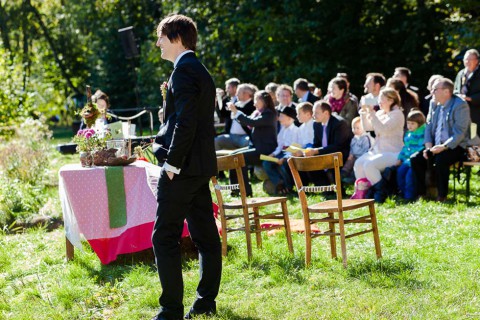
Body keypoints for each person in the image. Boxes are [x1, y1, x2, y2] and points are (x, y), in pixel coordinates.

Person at [151, 14, 221, 320]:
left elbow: (187, 123)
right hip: (200, 168)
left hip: (182, 169)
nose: (158, 44)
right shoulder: (199, 70)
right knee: (205, 236)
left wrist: (172, 164)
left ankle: (170, 311)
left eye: (161, 38)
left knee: (163, 237)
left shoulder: (183, 72)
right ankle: (205, 302)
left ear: (176, 37)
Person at [411, 78, 473, 202]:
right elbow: (428, 127)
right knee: (416, 159)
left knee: (441, 159)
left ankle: (442, 195)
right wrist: (428, 147)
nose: (432, 92)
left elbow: (460, 133)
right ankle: (421, 194)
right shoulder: (434, 103)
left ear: (446, 92)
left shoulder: (460, 105)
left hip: (456, 145)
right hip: (435, 145)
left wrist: (443, 146)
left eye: (435, 89)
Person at [353, 88, 405, 202]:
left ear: (391, 100)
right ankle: (363, 193)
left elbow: (383, 129)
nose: (378, 102)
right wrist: (364, 112)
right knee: (359, 163)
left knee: (369, 165)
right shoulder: (381, 113)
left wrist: (372, 113)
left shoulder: (397, 114)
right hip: (377, 151)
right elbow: (368, 128)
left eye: (381, 99)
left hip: (393, 152)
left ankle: (381, 192)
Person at [229, 90, 278, 196]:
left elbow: (251, 122)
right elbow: (248, 121)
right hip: (256, 148)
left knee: (239, 158)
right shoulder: (258, 113)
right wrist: (235, 113)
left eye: (256, 100)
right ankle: (235, 190)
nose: (254, 103)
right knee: (232, 157)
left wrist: (236, 111)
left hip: (265, 151)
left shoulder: (269, 114)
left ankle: (245, 191)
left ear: (264, 101)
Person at [304, 101, 353, 189]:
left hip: (341, 153)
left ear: (326, 113)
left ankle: (340, 191)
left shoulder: (339, 123)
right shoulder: (316, 124)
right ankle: (325, 190)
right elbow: (316, 143)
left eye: (316, 113)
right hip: (325, 152)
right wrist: (308, 150)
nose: (313, 115)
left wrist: (316, 151)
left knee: (333, 159)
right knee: (309, 160)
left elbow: (338, 146)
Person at [262, 105, 299, 194]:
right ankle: (279, 183)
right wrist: (273, 154)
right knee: (266, 162)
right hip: (281, 153)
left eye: (282, 116)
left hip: (289, 154)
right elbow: (280, 146)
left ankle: (289, 187)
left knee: (283, 166)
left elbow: (295, 147)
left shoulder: (296, 130)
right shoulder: (282, 130)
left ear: (290, 118)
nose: (279, 118)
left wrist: (284, 158)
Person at [214, 83, 256, 151]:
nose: (236, 94)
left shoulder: (253, 105)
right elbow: (223, 114)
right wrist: (220, 98)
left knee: (249, 143)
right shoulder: (236, 104)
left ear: (246, 94)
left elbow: (245, 114)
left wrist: (234, 109)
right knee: (216, 141)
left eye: (238, 92)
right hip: (231, 136)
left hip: (245, 137)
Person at [396, 110, 426, 201]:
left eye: (412, 123)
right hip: (406, 160)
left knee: (409, 177)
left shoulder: (422, 134)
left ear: (419, 124)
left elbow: (420, 149)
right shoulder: (408, 134)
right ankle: (402, 192)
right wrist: (400, 158)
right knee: (400, 173)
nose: (409, 126)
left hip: (414, 161)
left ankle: (409, 196)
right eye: (408, 123)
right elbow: (405, 147)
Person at [454, 49, 480, 137]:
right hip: (462, 112)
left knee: (474, 136)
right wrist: (458, 95)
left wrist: (469, 98)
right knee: (464, 136)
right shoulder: (461, 74)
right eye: (465, 59)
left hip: (476, 113)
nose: (467, 62)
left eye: (470, 59)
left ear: (477, 61)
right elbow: (456, 89)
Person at [341, 116, 372, 184]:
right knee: (349, 161)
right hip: (354, 156)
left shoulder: (365, 138)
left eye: (358, 128)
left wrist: (362, 157)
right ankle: (343, 173)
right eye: (354, 128)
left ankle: (353, 177)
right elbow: (352, 148)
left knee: (356, 164)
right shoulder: (354, 138)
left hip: (362, 157)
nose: (355, 130)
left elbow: (367, 149)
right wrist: (350, 154)